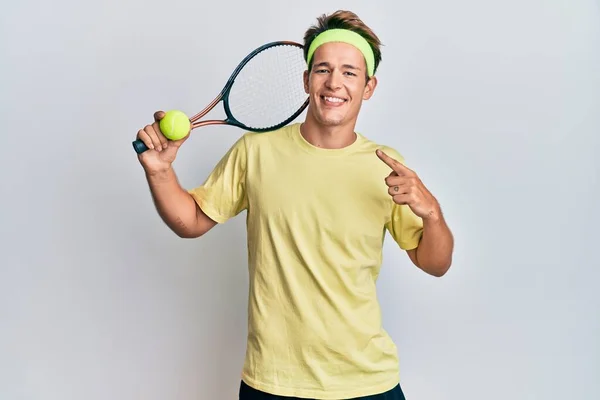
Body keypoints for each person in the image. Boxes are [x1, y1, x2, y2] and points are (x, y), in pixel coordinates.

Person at [134, 9, 454, 400]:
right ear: (306, 80)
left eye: (350, 72)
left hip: (368, 384)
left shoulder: (386, 166)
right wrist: (160, 172)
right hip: (273, 383)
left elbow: (434, 263)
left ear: (369, 87)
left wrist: (432, 213)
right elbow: (192, 221)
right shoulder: (256, 152)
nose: (334, 82)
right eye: (323, 69)